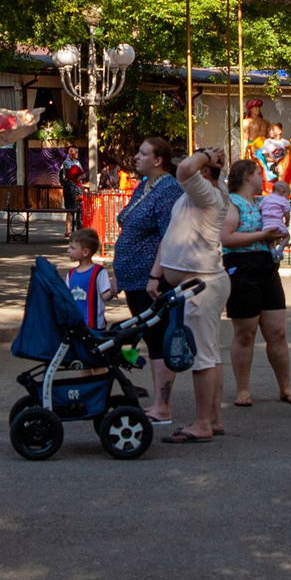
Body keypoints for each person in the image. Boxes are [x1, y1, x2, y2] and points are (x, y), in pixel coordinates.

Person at [147, 144, 244, 444]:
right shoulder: (197, 194)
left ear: (204, 171)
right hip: (194, 283)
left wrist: (207, 157)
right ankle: (213, 419)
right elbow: (173, 233)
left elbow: (185, 170)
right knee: (209, 353)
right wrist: (157, 273)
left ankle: (202, 423)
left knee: (202, 355)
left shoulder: (208, 193)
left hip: (201, 284)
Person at [113, 135, 184, 423]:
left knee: (157, 339)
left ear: (158, 160)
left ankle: (162, 406)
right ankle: (158, 403)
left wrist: (156, 274)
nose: (136, 157)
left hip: (150, 280)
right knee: (150, 337)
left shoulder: (168, 189)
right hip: (133, 279)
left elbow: (169, 235)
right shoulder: (143, 186)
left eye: (143, 153)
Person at [223, 158, 291, 407]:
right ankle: (243, 389)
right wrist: (262, 235)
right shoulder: (232, 203)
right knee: (246, 333)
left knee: (277, 331)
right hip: (242, 267)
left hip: (266, 267)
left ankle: (286, 386)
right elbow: (226, 238)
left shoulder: (262, 202)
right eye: (258, 173)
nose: (262, 177)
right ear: (246, 176)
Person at [63, 226, 113, 326]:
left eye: (72, 248)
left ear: (85, 252)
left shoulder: (98, 272)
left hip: (94, 325)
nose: (68, 250)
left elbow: (105, 295)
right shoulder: (70, 274)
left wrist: (116, 288)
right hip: (75, 325)